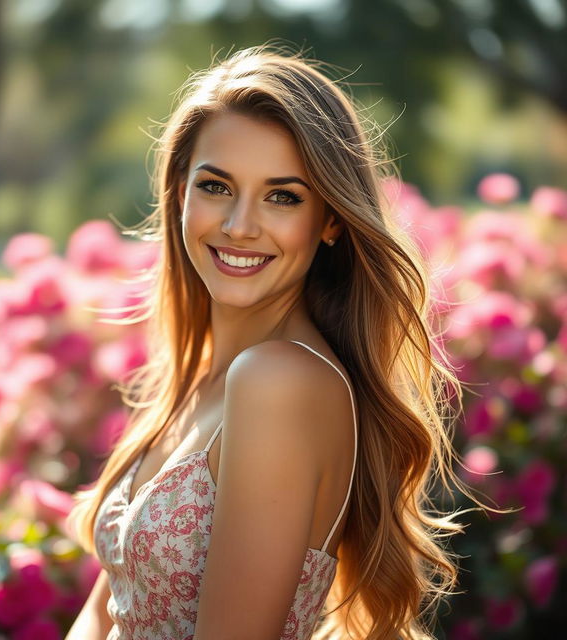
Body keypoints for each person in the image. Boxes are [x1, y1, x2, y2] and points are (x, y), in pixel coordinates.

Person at [65, 43, 483, 640]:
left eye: (282, 196)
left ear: (332, 219)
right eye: (216, 186)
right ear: (180, 189)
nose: (240, 225)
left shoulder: (277, 381)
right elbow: (103, 615)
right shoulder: (200, 379)